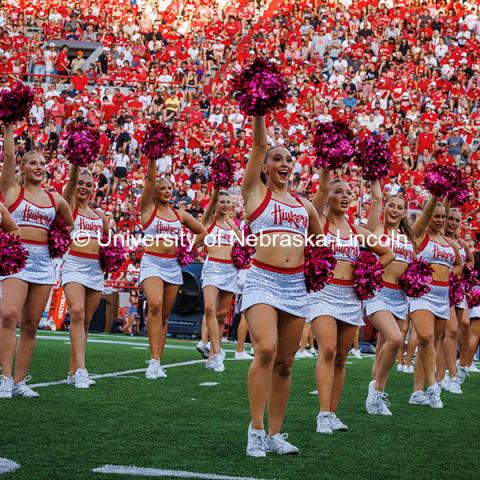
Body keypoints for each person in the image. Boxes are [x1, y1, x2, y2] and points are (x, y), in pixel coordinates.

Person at [241, 116, 323, 457]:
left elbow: (318, 239)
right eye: (277, 159)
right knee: (265, 349)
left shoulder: (303, 205)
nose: (284, 163)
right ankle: (256, 431)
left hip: (294, 286)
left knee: (286, 363)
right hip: (262, 279)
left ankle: (276, 434)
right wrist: (259, 112)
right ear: (264, 167)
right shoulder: (255, 192)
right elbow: (259, 144)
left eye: (289, 159)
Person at [308, 171, 394, 433]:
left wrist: (369, 274)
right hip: (323, 293)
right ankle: (323, 414)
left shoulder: (357, 231)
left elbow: (387, 253)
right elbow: (313, 204)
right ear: (328, 196)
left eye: (348, 193)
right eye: (339, 192)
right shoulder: (317, 224)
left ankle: (333, 413)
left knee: (342, 358)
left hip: (350, 297)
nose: (345, 196)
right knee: (328, 350)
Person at [0, 123, 73, 399]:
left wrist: (59, 241)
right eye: (32, 162)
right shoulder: (10, 190)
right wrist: (8, 128)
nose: (39, 166)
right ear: (23, 168)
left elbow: (69, 224)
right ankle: (4, 377)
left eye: (43, 163)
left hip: (43, 263)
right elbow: (8, 156)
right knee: (8, 315)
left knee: (31, 324)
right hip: (15, 259)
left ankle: (20, 381)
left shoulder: (55, 200)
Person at [139, 156, 206, 380]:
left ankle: (158, 360)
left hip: (173, 266)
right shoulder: (148, 210)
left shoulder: (180, 215)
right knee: (155, 305)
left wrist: (187, 249)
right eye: (163, 188)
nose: (167, 191)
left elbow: (202, 232)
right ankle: (153, 360)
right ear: (155, 192)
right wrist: (153, 159)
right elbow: (149, 179)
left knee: (165, 316)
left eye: (170, 188)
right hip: (152, 263)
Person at [363, 179, 415, 415]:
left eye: (399, 207)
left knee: (388, 346)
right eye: (391, 205)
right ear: (385, 208)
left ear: (404, 212)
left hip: (400, 296)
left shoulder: (407, 238)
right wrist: (375, 181)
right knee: (394, 339)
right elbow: (375, 199)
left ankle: (375, 393)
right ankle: (377, 392)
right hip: (378, 291)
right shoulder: (376, 230)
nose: (394, 210)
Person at [408, 198, 462, 408]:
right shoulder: (420, 234)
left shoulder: (449, 243)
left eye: (443, 216)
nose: (440, 220)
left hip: (442, 297)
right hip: (423, 294)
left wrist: (452, 274)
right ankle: (433, 387)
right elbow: (423, 220)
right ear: (427, 215)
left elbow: (459, 264)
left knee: (429, 345)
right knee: (426, 337)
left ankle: (416, 392)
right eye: (435, 216)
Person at [61, 165, 109, 389]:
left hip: (95, 269)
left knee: (85, 322)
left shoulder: (99, 215)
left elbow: (107, 242)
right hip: (73, 264)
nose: (83, 187)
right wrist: (76, 168)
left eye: (88, 185)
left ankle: (74, 370)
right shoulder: (68, 207)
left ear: (94, 189)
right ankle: (81, 370)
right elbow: (69, 188)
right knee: (77, 313)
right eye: (80, 183)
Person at [200, 188, 240, 372]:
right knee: (209, 307)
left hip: (230, 270)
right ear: (215, 203)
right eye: (221, 201)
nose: (225, 205)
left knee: (222, 314)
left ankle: (212, 356)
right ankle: (216, 352)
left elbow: (244, 246)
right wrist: (216, 188)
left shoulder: (233, 225)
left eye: (227, 202)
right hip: (213, 267)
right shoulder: (209, 221)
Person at [436, 205, 474, 391]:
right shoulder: (439, 240)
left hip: (458, 289)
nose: (453, 223)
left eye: (457, 220)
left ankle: (460, 365)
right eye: (450, 219)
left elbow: (470, 261)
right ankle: (450, 376)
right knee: (449, 332)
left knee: (465, 325)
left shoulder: (461, 243)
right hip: (443, 289)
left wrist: (464, 268)